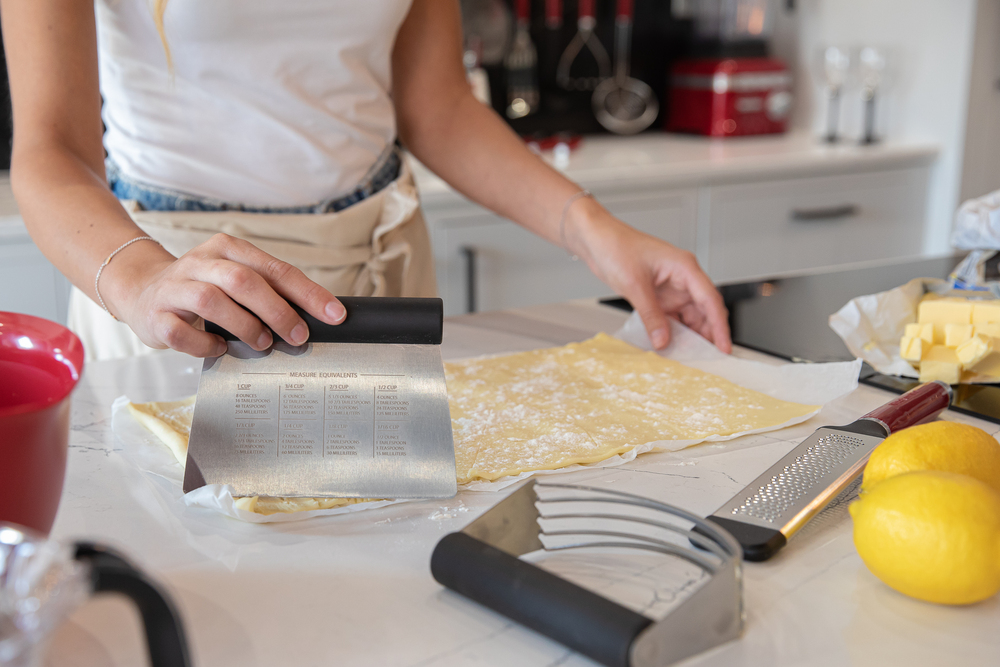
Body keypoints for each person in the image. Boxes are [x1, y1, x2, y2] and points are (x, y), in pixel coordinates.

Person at [0, 0, 731, 361]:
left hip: (380, 273)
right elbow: (50, 148)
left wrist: (597, 233)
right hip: (186, 294)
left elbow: (437, 108)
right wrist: (141, 282)